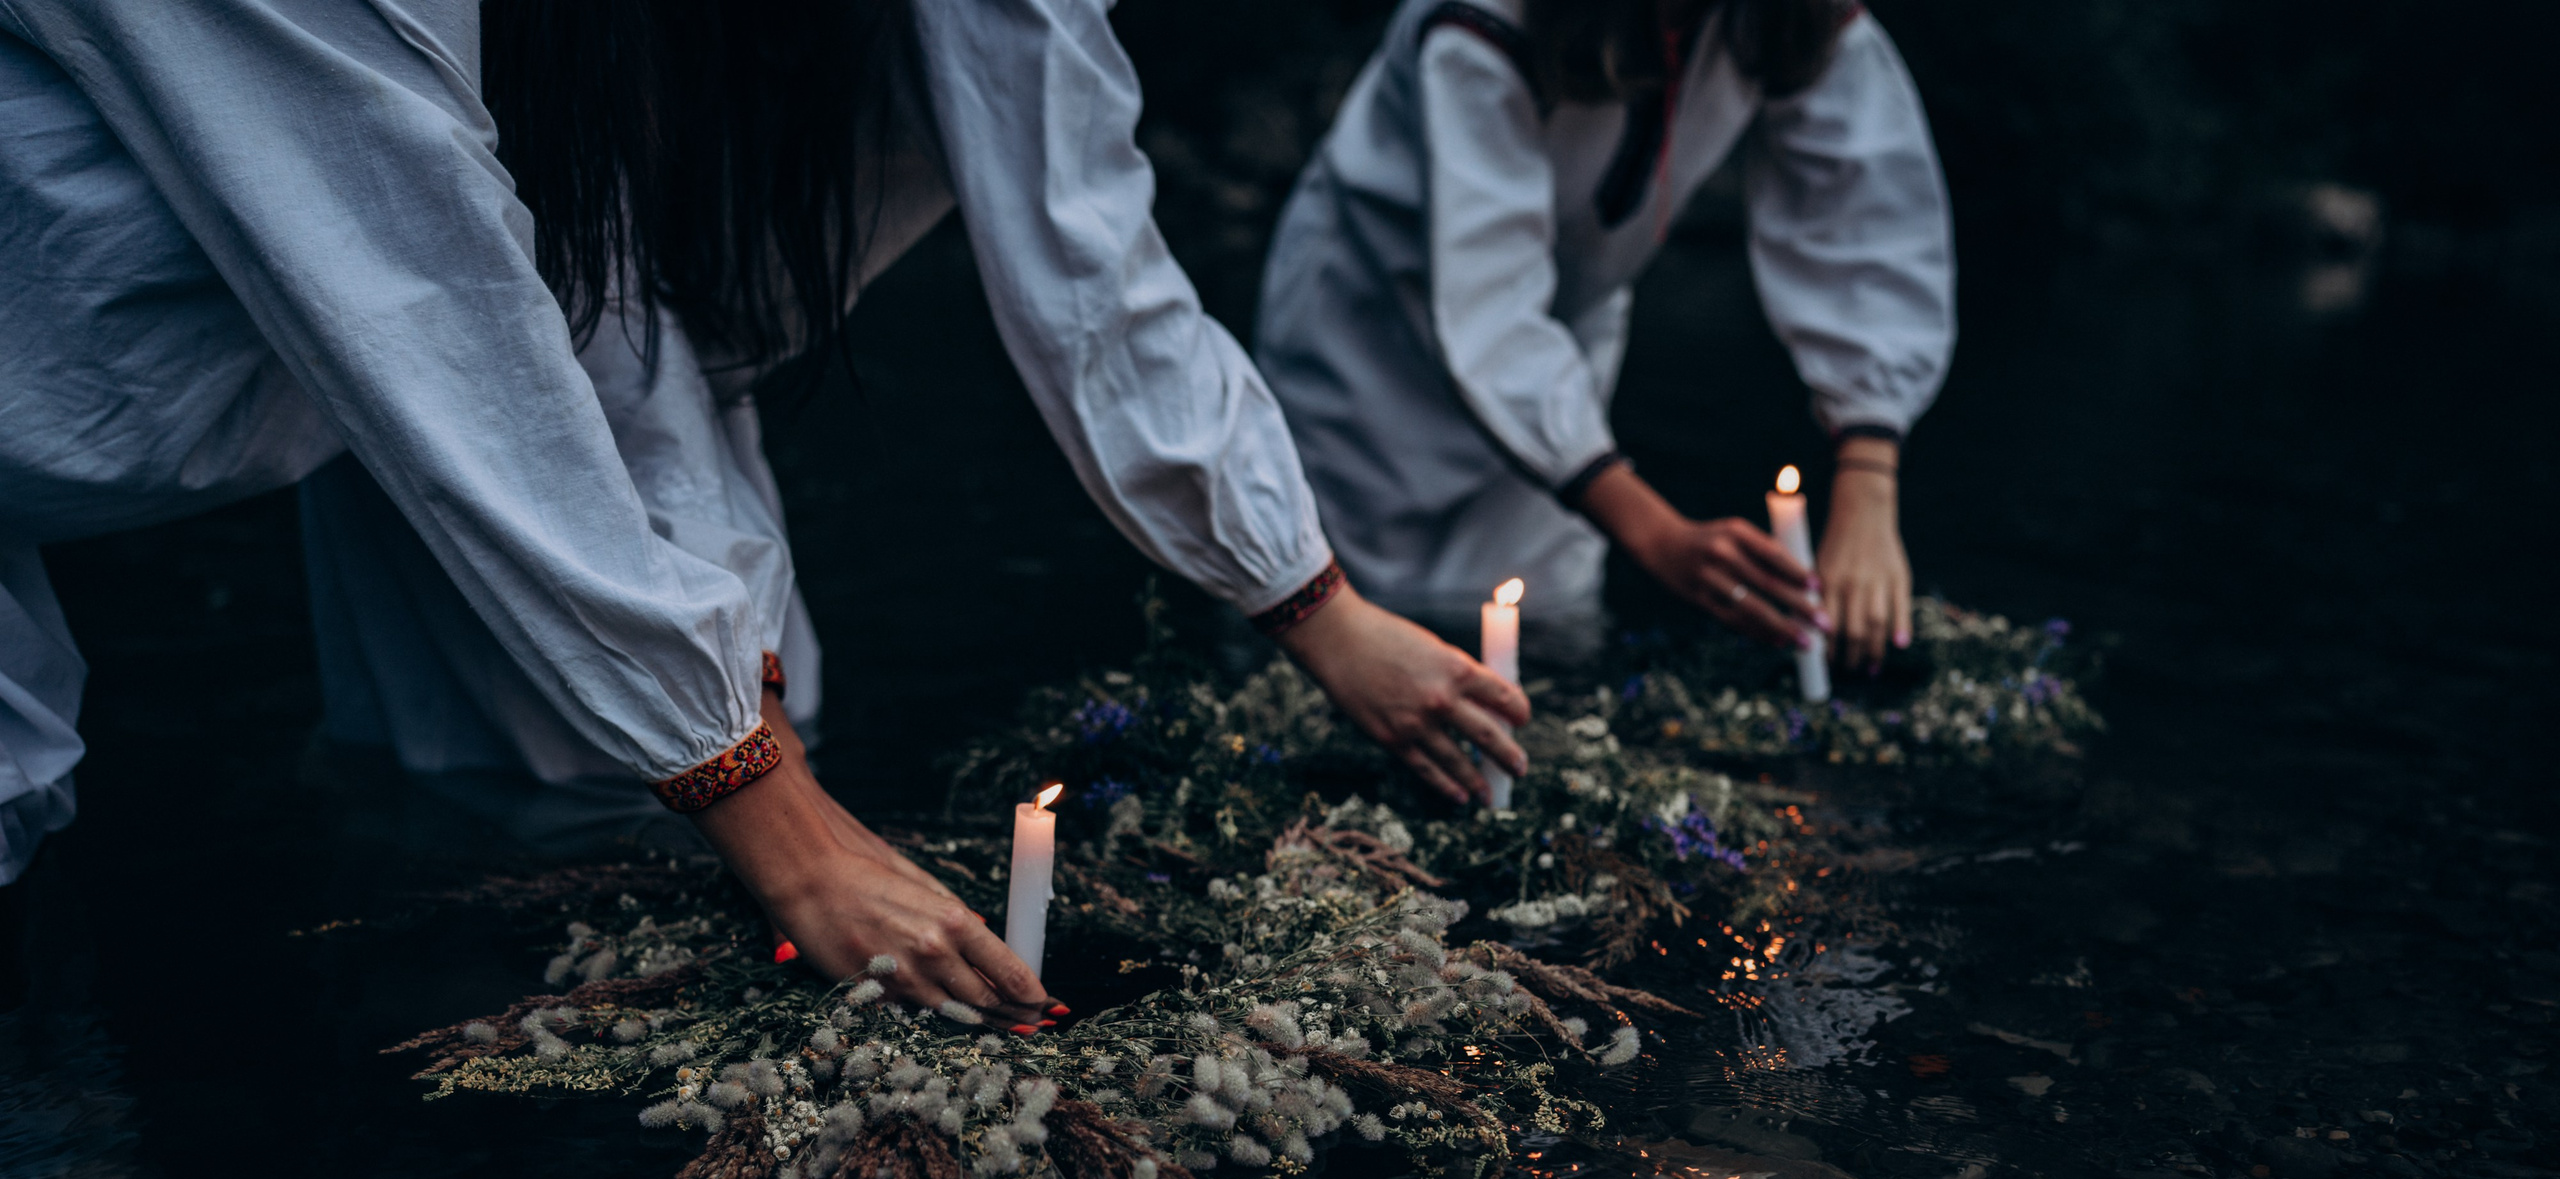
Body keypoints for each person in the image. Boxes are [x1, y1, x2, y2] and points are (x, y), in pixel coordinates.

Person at [0, 0, 1528, 1024]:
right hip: (178, 378)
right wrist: (766, 810)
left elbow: (586, 290)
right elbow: (425, 274)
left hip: (331, 399)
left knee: (646, 766)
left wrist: (1305, 599)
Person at [1255, 0, 1954, 670]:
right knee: (1322, 638)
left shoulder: (1791, 13)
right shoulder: (1485, 18)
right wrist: (1658, 535)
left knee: (1548, 642)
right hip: (1370, 351)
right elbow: (1491, 304)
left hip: (1565, 370)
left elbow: (1868, 218)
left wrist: (1868, 482)